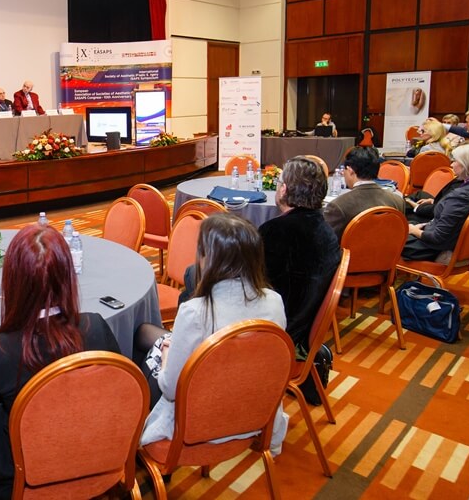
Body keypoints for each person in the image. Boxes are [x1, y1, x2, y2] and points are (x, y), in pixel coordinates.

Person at [0, 224, 119, 499]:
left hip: (26, 466)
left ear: (12, 281)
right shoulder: (96, 327)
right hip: (92, 448)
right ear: (68, 276)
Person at [134, 213, 288, 455]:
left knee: (153, 352)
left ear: (208, 259)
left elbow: (171, 389)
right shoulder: (275, 302)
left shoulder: (195, 312)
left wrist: (166, 356)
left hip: (200, 424)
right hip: (253, 413)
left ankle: (131, 435)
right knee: (150, 336)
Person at [259, 156, 341, 351]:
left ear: (284, 189)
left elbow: (255, 284)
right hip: (304, 326)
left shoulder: (276, 231)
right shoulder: (327, 231)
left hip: (279, 330)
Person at [402, 141, 469, 261]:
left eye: (455, 161)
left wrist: (414, 231)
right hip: (453, 243)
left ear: (467, 165)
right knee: (402, 225)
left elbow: (437, 238)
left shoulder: (460, 197)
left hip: (430, 248)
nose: (451, 165)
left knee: (382, 236)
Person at [323, 146, 406, 240]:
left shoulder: (338, 206)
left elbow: (326, 242)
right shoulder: (398, 201)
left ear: (350, 170)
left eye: (344, 170)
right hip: (388, 249)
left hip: (351, 249)